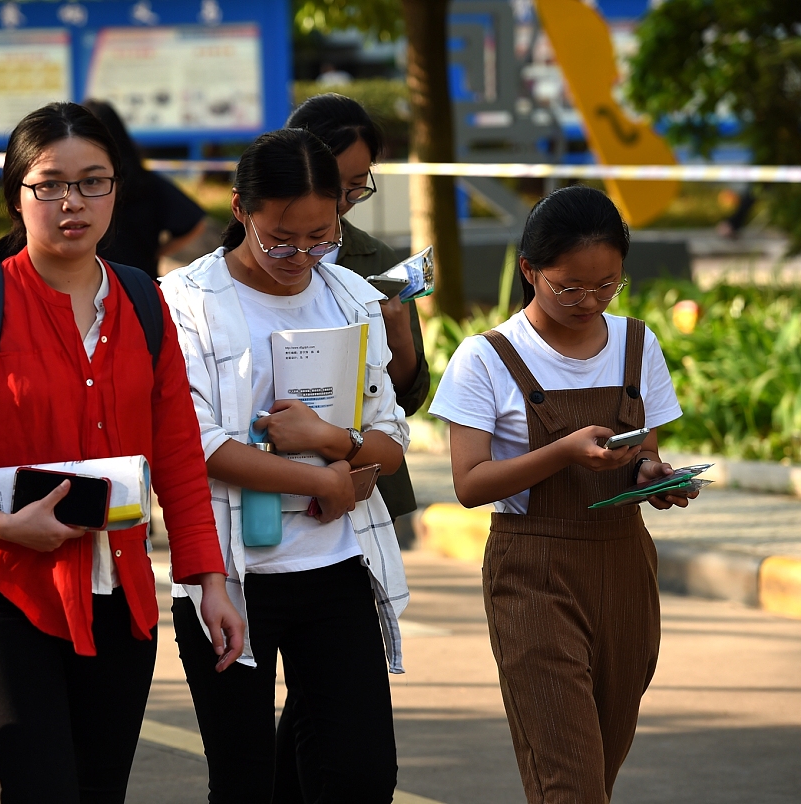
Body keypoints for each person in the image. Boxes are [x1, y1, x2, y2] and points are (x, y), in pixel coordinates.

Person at [0, 101, 244, 804]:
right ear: (18, 194)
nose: (72, 202)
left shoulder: (143, 303)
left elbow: (177, 458)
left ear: (117, 190)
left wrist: (210, 581)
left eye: (93, 181)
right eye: (49, 184)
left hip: (120, 595)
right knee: (39, 789)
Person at [160, 127, 410, 803]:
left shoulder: (351, 294)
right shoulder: (185, 301)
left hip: (337, 568)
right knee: (244, 782)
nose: (300, 255)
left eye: (319, 236)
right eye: (280, 238)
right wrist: (321, 479)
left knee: (359, 776)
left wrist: (336, 444)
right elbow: (195, 444)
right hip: (231, 575)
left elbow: (390, 438)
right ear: (241, 210)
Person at [428, 185, 695, 804]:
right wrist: (563, 451)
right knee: (569, 783)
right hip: (534, 572)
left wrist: (655, 478)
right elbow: (469, 484)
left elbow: (644, 454)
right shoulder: (486, 358)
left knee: (600, 770)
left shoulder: (637, 343)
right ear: (529, 270)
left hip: (626, 564)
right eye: (569, 287)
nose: (589, 301)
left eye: (607, 286)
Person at [286, 93, 430, 522]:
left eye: (358, 185)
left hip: (364, 479)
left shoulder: (377, 260)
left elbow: (408, 395)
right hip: (273, 471)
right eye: (335, 184)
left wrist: (399, 333)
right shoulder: (237, 265)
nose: (345, 199)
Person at [83, 98, 207, 280]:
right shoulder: (146, 181)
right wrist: (157, 252)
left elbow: (195, 221)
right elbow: (195, 221)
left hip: (105, 282)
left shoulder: (79, 189)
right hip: (141, 283)